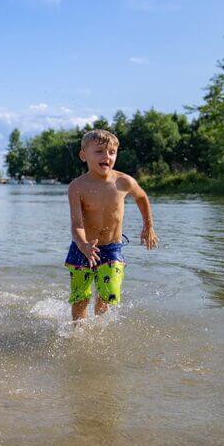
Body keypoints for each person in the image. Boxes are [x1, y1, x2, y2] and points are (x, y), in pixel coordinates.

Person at [65, 129, 158, 321]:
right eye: (99, 151)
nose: (106, 156)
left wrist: (148, 226)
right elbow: (76, 224)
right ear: (84, 155)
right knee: (80, 298)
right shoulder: (77, 187)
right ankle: (78, 332)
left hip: (112, 248)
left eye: (111, 152)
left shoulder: (124, 182)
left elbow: (142, 197)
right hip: (83, 247)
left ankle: (99, 328)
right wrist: (83, 245)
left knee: (108, 295)